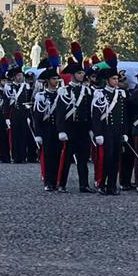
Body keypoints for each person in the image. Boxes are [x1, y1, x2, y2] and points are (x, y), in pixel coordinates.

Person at [54, 57, 95, 193]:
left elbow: (89, 112)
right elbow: (59, 113)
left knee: (83, 159)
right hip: (70, 128)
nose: (82, 75)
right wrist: (61, 130)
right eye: (79, 73)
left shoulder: (88, 91)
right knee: (65, 159)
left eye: (82, 73)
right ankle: (61, 184)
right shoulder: (64, 91)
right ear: (72, 75)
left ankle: (84, 185)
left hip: (82, 129)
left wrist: (91, 129)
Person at [91, 67, 127, 195]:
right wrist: (98, 133)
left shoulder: (120, 94)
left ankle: (112, 185)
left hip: (117, 131)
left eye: (117, 79)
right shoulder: (100, 94)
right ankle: (101, 184)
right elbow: (96, 116)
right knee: (106, 159)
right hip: (106, 131)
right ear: (107, 80)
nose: (116, 81)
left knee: (116, 159)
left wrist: (124, 132)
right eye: (114, 79)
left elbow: (123, 116)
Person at [32, 66, 62, 191]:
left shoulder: (61, 94)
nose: (56, 81)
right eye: (53, 79)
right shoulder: (40, 96)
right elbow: (37, 116)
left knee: (58, 156)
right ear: (48, 81)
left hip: (58, 130)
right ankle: (48, 181)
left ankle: (57, 180)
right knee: (48, 156)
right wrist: (38, 134)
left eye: (57, 78)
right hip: (47, 130)